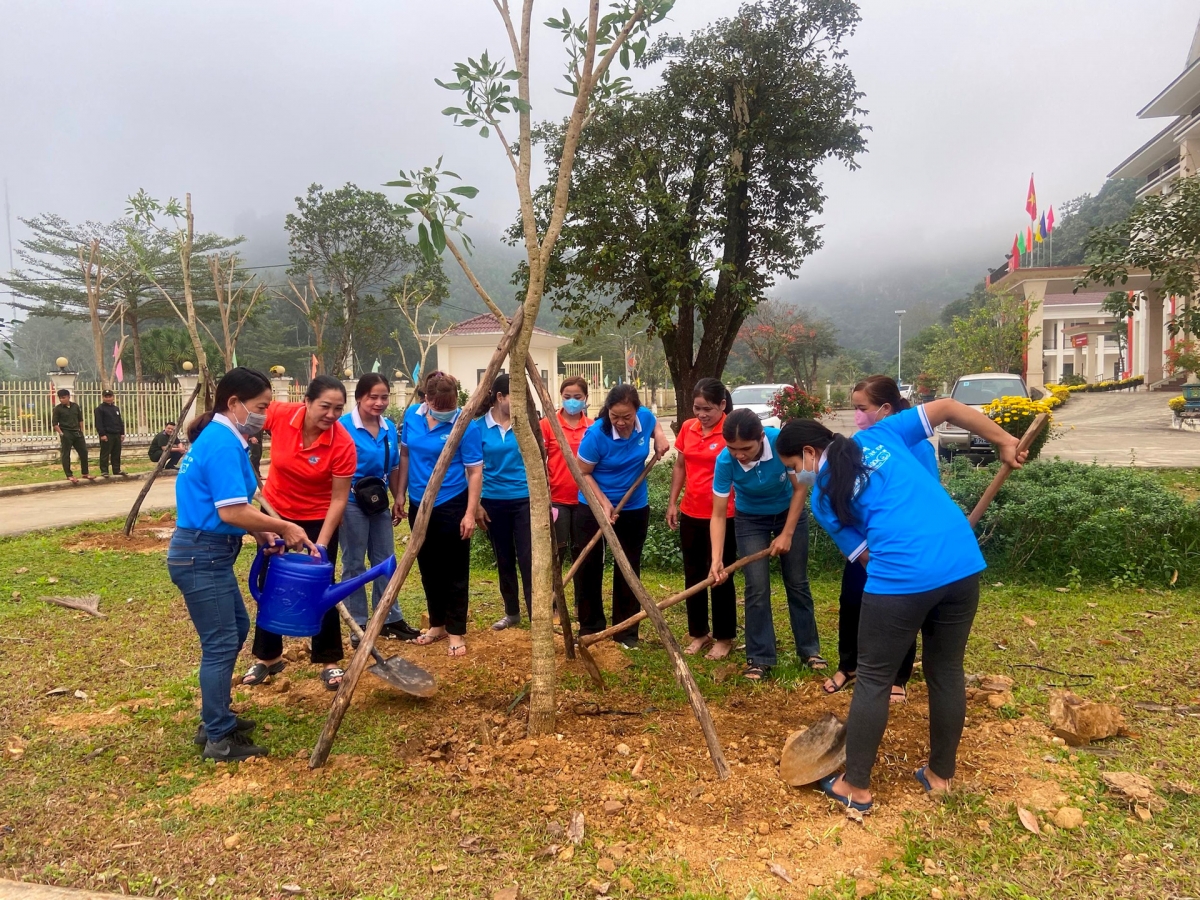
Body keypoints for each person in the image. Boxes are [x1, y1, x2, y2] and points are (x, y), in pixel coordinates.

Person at [774, 400, 1026, 811]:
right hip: (961, 563)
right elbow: (946, 407)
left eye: (791, 466)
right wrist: (1004, 441)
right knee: (945, 671)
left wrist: (909, 564)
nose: (793, 476)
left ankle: (855, 786)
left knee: (873, 677)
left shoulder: (821, 499)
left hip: (902, 577)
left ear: (808, 454)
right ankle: (940, 776)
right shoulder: (881, 435)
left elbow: (868, 556)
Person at [168, 367, 315, 761]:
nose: (265, 416)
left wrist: (261, 532)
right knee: (220, 643)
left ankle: (216, 716)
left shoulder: (222, 438)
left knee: (234, 628)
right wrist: (283, 526)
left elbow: (232, 510)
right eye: (260, 407)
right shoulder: (221, 442)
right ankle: (218, 737)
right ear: (233, 403)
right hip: (202, 554)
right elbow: (232, 510)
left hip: (208, 551)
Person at [242, 375, 357, 690]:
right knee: (270, 581)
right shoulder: (280, 415)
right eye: (324, 406)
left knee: (322, 588)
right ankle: (268, 657)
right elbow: (244, 421)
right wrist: (240, 441)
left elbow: (339, 499)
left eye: (338, 409)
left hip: (319, 518)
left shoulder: (343, 443)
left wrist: (320, 544)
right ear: (306, 401)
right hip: (276, 514)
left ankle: (329, 660)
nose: (331, 415)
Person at [824, 375, 934, 703]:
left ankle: (899, 675)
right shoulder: (859, 444)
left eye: (862, 408)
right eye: (855, 408)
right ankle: (850, 665)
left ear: (885, 409)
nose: (857, 415)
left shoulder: (917, 448)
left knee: (901, 610)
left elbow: (927, 497)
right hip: (862, 542)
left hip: (901, 548)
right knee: (853, 602)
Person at [709, 409, 821, 681]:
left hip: (788, 512)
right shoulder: (725, 461)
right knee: (756, 587)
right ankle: (760, 657)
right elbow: (718, 514)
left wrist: (787, 533)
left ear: (761, 437)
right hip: (750, 520)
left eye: (745, 448)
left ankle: (809, 650)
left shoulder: (780, 442)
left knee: (797, 582)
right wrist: (716, 558)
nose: (739, 455)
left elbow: (801, 488)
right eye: (733, 448)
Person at [574, 384, 670, 648]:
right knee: (590, 566)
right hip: (593, 506)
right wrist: (603, 503)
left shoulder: (646, 419)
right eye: (615, 416)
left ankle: (625, 632)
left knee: (628, 567)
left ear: (636, 411)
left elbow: (654, 426)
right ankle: (590, 627)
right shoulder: (596, 435)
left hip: (634, 506)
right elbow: (582, 472)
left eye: (626, 417)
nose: (620, 422)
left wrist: (660, 437)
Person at [396, 371, 483, 657]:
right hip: (419, 503)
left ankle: (456, 631)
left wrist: (470, 513)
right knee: (428, 566)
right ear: (426, 399)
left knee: (455, 569)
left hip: (452, 503)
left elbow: (474, 471)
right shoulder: (412, 416)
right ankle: (437, 624)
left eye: (450, 406)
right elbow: (405, 455)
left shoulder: (465, 425)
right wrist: (400, 493)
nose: (446, 411)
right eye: (440, 406)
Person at [339, 374, 419, 640]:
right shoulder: (343, 427)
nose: (379, 402)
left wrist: (398, 496)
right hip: (350, 502)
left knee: (385, 559)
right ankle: (358, 624)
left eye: (384, 397)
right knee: (353, 562)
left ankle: (389, 617)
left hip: (379, 504)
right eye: (373, 397)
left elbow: (394, 465)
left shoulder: (387, 428)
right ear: (360, 397)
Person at [666, 378, 738, 660]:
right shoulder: (688, 428)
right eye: (697, 408)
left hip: (725, 513)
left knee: (720, 574)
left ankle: (724, 636)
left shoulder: (732, 429)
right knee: (693, 574)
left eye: (707, 408)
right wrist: (673, 502)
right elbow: (681, 465)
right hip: (691, 512)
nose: (701, 414)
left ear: (722, 405)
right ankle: (698, 633)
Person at [474, 373, 534, 630]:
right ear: (500, 397)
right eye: (514, 397)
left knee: (529, 558)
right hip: (492, 502)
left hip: (524, 500)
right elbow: (471, 470)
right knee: (505, 558)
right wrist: (475, 504)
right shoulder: (477, 428)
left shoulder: (527, 425)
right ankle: (512, 612)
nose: (519, 402)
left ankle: (537, 614)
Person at [539, 376, 592, 566]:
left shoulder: (592, 427)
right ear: (561, 396)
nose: (572, 401)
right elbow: (539, 459)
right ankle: (553, 595)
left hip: (585, 499)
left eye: (577, 397)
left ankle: (582, 596)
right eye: (567, 396)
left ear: (586, 397)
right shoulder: (547, 424)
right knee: (556, 552)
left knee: (582, 552)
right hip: (557, 499)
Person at [52, 389, 94, 483]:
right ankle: (69, 475)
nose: (62, 400)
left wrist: (81, 430)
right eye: (60, 398)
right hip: (66, 433)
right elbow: (55, 423)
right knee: (66, 454)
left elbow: (80, 419)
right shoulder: (57, 409)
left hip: (77, 432)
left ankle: (85, 473)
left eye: (64, 397)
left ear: (68, 397)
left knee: (84, 452)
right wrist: (61, 433)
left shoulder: (75, 406)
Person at [94, 389, 126, 477]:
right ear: (103, 397)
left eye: (110, 396)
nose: (108, 399)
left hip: (116, 433)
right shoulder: (100, 409)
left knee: (116, 452)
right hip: (107, 434)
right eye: (106, 397)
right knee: (105, 453)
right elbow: (99, 423)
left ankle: (117, 469)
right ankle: (104, 471)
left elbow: (120, 421)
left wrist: (122, 433)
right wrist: (102, 434)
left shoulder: (116, 408)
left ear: (113, 397)